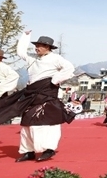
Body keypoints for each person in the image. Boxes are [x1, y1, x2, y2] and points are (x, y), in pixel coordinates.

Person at [10, 31, 75, 162]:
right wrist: (25, 36)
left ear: (48, 47)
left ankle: (49, 149)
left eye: (40, 46)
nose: (37, 48)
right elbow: (21, 52)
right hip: (32, 94)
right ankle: (28, 151)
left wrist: (55, 80)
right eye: (36, 45)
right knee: (27, 123)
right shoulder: (33, 60)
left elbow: (69, 68)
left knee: (47, 124)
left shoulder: (56, 58)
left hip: (47, 94)